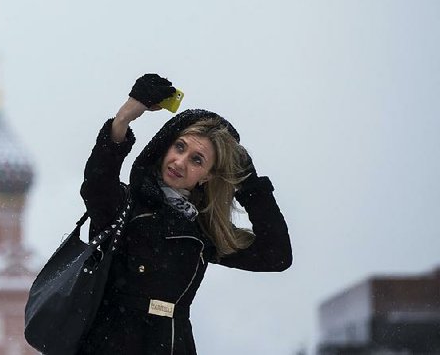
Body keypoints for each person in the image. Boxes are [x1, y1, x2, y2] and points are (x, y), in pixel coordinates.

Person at [78, 74, 292, 355]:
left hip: (171, 344)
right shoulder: (126, 204)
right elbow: (96, 184)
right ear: (166, 146)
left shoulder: (203, 232)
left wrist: (250, 183)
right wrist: (124, 117)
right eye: (179, 147)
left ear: (206, 177)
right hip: (110, 341)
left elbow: (276, 255)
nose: (180, 162)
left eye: (197, 160)